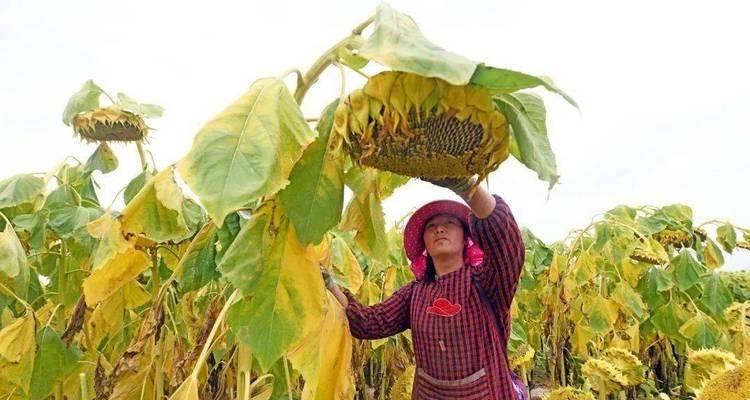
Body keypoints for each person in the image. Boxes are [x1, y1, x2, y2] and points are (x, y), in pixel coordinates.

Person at [321, 177, 526, 399]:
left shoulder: (487, 282)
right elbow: (370, 323)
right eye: (431, 227)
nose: (439, 229)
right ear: (424, 244)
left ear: (466, 237)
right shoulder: (415, 292)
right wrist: (331, 285)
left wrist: (467, 186)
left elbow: (507, 245)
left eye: (450, 223)